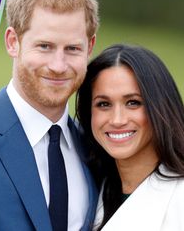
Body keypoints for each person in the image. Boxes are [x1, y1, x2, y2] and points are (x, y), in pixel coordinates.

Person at [0, 0, 99, 230]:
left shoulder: (95, 149)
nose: (58, 65)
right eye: (44, 46)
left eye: (72, 49)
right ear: (13, 42)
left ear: (90, 47)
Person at [76, 44, 184, 230]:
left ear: (160, 107)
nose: (117, 120)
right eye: (103, 104)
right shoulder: (91, 190)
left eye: (133, 103)